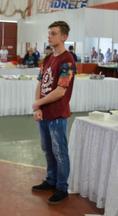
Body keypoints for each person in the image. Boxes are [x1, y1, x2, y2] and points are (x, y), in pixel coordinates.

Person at [31, 21, 76, 205]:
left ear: (64, 37)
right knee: (47, 150)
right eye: (49, 33)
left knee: (60, 152)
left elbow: (61, 91)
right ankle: (51, 180)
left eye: (54, 33)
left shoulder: (68, 61)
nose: (49, 36)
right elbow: (40, 83)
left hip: (57, 114)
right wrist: (39, 107)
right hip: (44, 114)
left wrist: (37, 104)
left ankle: (61, 187)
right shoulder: (48, 59)